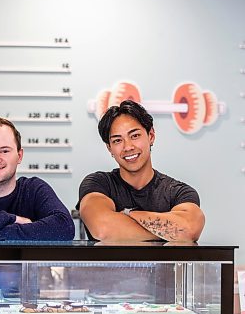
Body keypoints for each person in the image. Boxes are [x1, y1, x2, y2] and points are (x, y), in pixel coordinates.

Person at [77, 100, 205, 242]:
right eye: (117, 140)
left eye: (135, 136)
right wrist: (168, 233)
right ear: (109, 148)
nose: (128, 147)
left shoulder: (177, 192)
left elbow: (189, 229)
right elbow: (103, 228)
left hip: (163, 266)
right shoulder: (99, 184)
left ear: (151, 136)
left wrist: (128, 214)